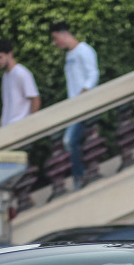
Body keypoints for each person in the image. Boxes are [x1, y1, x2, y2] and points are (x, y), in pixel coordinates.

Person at [49, 22, 99, 191]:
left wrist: (83, 96)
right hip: (74, 106)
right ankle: (81, 175)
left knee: (69, 141)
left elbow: (93, 74)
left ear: (64, 34)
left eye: (56, 39)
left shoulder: (84, 50)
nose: (55, 43)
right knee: (72, 142)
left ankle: (80, 176)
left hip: (83, 105)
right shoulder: (69, 55)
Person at [0, 38, 40, 128]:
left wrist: (29, 124)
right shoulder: (6, 75)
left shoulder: (21, 73)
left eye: (0, 57)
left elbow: (35, 99)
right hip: (7, 128)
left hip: (20, 128)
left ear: (10, 54)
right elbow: (9, 105)